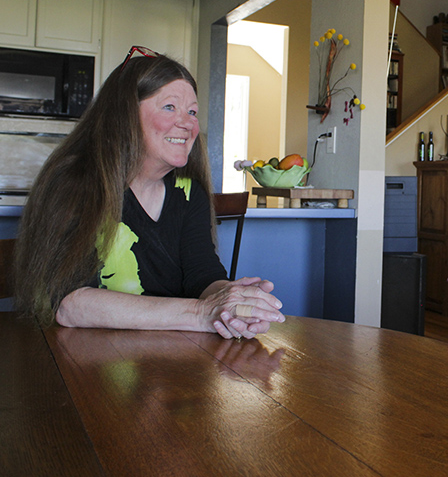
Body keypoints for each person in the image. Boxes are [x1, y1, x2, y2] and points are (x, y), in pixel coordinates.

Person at [14, 46, 284, 340]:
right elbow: (69, 305)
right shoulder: (75, 182)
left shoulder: (188, 192)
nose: (187, 123)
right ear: (125, 114)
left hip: (168, 364)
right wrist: (200, 313)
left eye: (192, 111)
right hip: (81, 365)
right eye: (170, 107)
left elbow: (202, 276)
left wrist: (230, 303)